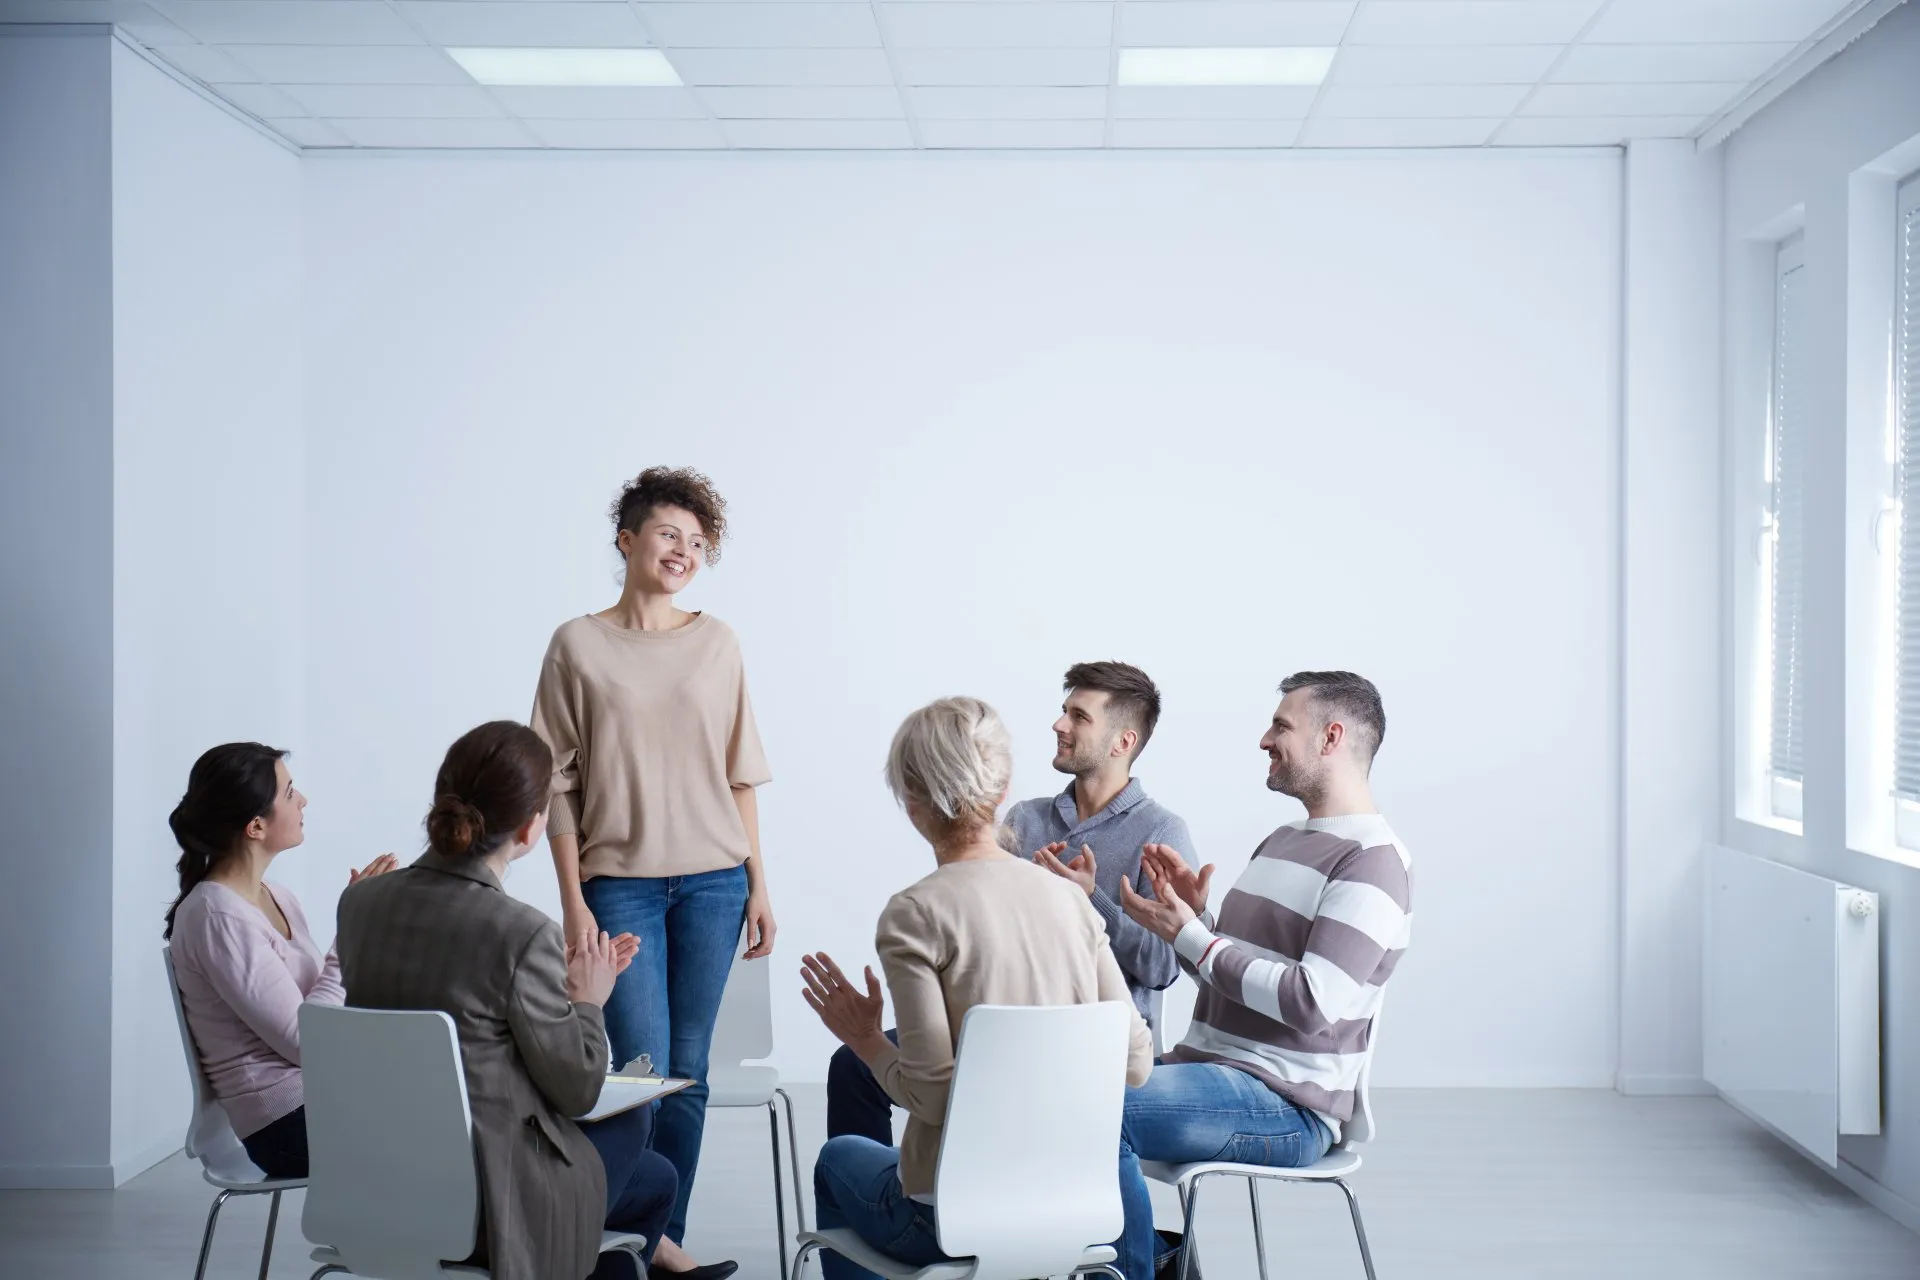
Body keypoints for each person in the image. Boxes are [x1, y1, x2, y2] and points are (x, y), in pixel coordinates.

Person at [801, 697, 1154, 1280]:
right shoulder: (1069, 899)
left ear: (912, 804)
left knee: (838, 1159)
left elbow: (934, 1098)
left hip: (948, 1221)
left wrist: (865, 1038)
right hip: (1074, 1210)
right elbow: (1136, 1063)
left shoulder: (915, 913)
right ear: (1003, 783)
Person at [335, 721, 685, 1280]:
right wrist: (588, 1000)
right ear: (531, 828)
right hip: (483, 1205)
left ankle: (652, 1261)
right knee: (633, 1120)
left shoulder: (357, 905)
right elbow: (577, 1090)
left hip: (373, 1184)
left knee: (655, 1181)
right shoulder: (521, 932)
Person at [532, 467, 770, 1273]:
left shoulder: (718, 642)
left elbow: (740, 773)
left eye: (699, 543)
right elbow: (556, 784)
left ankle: (660, 1247)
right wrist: (572, 901)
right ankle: (625, 1245)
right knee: (636, 1075)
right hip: (619, 885)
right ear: (627, 539)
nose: (684, 551)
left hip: (715, 882)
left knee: (691, 1075)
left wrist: (760, 884)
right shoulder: (577, 644)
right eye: (670, 533)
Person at [1116, 672, 1413, 1280]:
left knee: (1086, 1109)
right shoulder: (1283, 840)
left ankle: (1140, 1266)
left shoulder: (1373, 863)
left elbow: (1310, 1003)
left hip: (1283, 1104)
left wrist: (1194, 937)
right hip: (1211, 1073)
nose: (1263, 740)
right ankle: (1152, 1261)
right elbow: (1232, 983)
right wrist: (1194, 918)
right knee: (1053, 1088)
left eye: (1281, 726)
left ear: (1331, 737)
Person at [825, 661, 1196, 1146]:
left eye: (1079, 717)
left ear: (1123, 742)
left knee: (898, 1074)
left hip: (1091, 1040)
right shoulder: (1025, 817)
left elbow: (1163, 967)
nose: (1058, 725)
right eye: (1063, 711)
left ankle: (907, 1203)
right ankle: (897, 1192)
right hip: (985, 1020)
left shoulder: (1161, 833)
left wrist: (1091, 901)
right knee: (852, 1066)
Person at [163, 742, 396, 1179]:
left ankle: (405, 1244)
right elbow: (310, 1041)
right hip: (286, 1125)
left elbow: (325, 1007)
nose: (303, 799)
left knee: (462, 1101)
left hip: (324, 1098)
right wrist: (351, 932)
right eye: (290, 793)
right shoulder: (217, 916)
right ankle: (390, 1244)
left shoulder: (278, 898)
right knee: (450, 1133)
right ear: (255, 826)